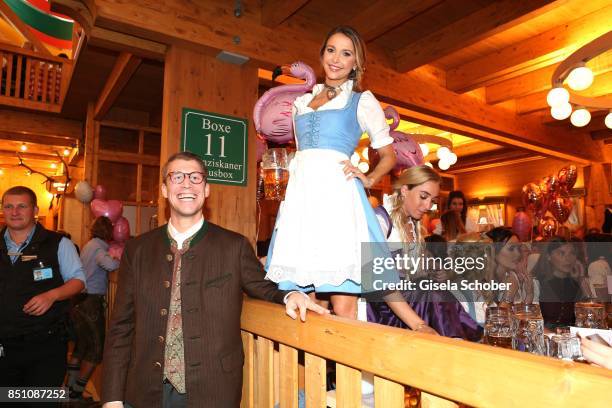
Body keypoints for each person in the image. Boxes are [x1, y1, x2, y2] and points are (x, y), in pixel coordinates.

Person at [102, 152, 326, 408]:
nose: (187, 184)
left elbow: (264, 286)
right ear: (164, 189)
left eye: (195, 178)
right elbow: (121, 327)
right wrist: (111, 397)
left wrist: (291, 295)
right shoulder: (138, 250)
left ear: (206, 190)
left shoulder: (234, 246)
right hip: (144, 391)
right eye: (177, 177)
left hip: (213, 390)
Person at [265, 26, 397, 319]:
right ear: (322, 54)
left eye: (346, 53)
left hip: (337, 201)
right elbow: (302, 155)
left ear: (356, 63)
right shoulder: (301, 103)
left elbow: (388, 154)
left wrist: (370, 178)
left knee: (343, 303)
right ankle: (311, 365)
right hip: (303, 202)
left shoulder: (361, 101)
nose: (336, 59)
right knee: (304, 300)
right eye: (331, 50)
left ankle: (349, 365)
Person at [367, 166, 482, 339]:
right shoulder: (380, 220)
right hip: (387, 307)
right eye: (423, 196)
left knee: (441, 292)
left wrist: (439, 270)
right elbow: (380, 281)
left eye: (433, 200)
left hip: (413, 299)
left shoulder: (412, 222)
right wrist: (419, 325)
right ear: (405, 190)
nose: (428, 205)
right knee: (434, 295)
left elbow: (421, 260)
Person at [0, 186, 85, 388]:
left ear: (35, 210)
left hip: (47, 345)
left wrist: (52, 295)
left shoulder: (59, 243)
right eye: (8, 206)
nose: (14, 212)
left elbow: (79, 281)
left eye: (22, 206)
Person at [67, 216, 120, 400]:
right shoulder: (99, 248)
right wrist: (116, 258)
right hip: (91, 302)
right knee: (97, 350)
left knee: (81, 346)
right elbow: (111, 264)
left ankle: (70, 388)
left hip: (79, 300)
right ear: (108, 232)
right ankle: (77, 392)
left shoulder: (89, 245)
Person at [532, 236, 590, 329]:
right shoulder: (537, 282)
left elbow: (591, 314)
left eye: (572, 253)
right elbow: (531, 319)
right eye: (561, 253)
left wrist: (581, 278)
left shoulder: (576, 283)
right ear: (548, 256)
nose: (568, 259)